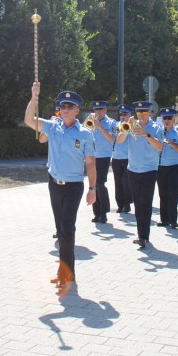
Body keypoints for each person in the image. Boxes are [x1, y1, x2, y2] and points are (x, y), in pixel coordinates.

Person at [24, 84, 96, 293]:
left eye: (69, 106)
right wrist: (34, 97)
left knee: (67, 229)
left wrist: (93, 189)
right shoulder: (52, 128)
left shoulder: (85, 134)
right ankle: (63, 272)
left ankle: (67, 275)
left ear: (77, 111)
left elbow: (90, 164)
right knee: (60, 230)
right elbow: (29, 121)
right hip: (54, 184)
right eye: (62, 106)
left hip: (74, 187)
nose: (65, 109)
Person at [119, 100, 162, 249]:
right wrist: (126, 128)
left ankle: (145, 235)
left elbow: (160, 146)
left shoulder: (155, 127)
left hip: (149, 170)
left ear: (150, 113)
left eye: (144, 113)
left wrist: (146, 134)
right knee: (137, 204)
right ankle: (140, 235)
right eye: (139, 113)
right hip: (133, 169)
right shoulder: (131, 126)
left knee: (146, 203)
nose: (141, 116)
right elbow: (119, 141)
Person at [85, 100, 116, 224]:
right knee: (93, 184)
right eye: (96, 110)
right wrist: (88, 121)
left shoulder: (111, 123)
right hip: (92, 156)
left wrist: (100, 126)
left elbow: (112, 138)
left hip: (104, 156)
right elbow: (81, 132)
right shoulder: (91, 121)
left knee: (100, 183)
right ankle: (97, 213)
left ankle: (104, 212)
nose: (98, 112)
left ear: (105, 110)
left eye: (100, 109)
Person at [156, 108, 178, 229]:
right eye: (164, 118)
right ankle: (164, 219)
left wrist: (170, 142)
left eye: (169, 118)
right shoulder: (158, 131)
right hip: (160, 166)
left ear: (174, 120)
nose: (167, 121)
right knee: (162, 193)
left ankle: (173, 219)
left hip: (174, 166)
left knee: (172, 193)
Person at [110, 104, 133, 214]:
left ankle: (127, 204)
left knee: (126, 182)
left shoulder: (133, 126)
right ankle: (120, 204)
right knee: (118, 182)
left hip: (128, 157)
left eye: (125, 114)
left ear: (130, 115)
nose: (122, 117)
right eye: (121, 115)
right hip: (116, 157)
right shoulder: (116, 125)